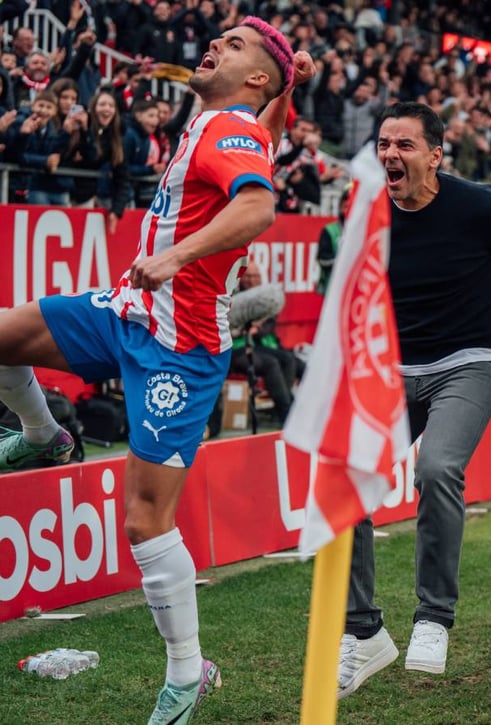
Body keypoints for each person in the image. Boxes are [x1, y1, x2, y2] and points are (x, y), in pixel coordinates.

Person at [0, 17, 304, 725]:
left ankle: (187, 672)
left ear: (254, 79)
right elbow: (268, 137)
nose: (216, 44)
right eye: (219, 35)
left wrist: (171, 259)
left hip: (181, 345)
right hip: (130, 308)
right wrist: (290, 88)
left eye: (235, 44)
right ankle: (44, 433)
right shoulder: (225, 122)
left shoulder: (229, 128)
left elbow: (258, 204)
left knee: (143, 520)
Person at [336, 102, 491, 698]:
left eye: (405, 145)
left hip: (471, 360)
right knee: (346, 480)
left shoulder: (483, 206)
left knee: (437, 466)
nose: (390, 154)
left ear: (436, 155)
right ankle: (363, 630)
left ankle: (433, 618)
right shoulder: (367, 212)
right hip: (395, 367)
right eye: (384, 144)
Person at [228, 262, 296, 425]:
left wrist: (256, 329)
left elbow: (269, 323)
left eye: (255, 276)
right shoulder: (232, 296)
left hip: (257, 345)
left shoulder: (264, 298)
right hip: (235, 349)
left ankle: (284, 408)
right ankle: (285, 414)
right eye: (248, 276)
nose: (251, 280)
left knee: (289, 359)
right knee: (271, 363)